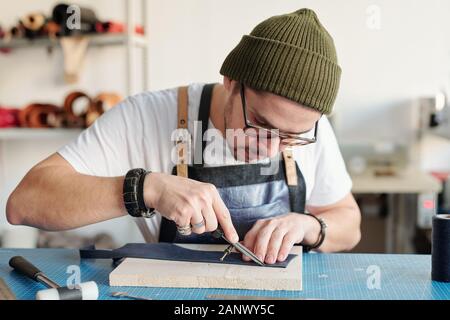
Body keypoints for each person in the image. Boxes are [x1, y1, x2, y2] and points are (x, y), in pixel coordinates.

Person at [7, 9, 361, 264]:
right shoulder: (146, 116)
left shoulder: (312, 130)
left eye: (290, 138)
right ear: (231, 81)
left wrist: (310, 226)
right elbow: (24, 204)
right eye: (259, 123)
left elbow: (349, 222)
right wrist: (146, 189)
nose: (267, 147)